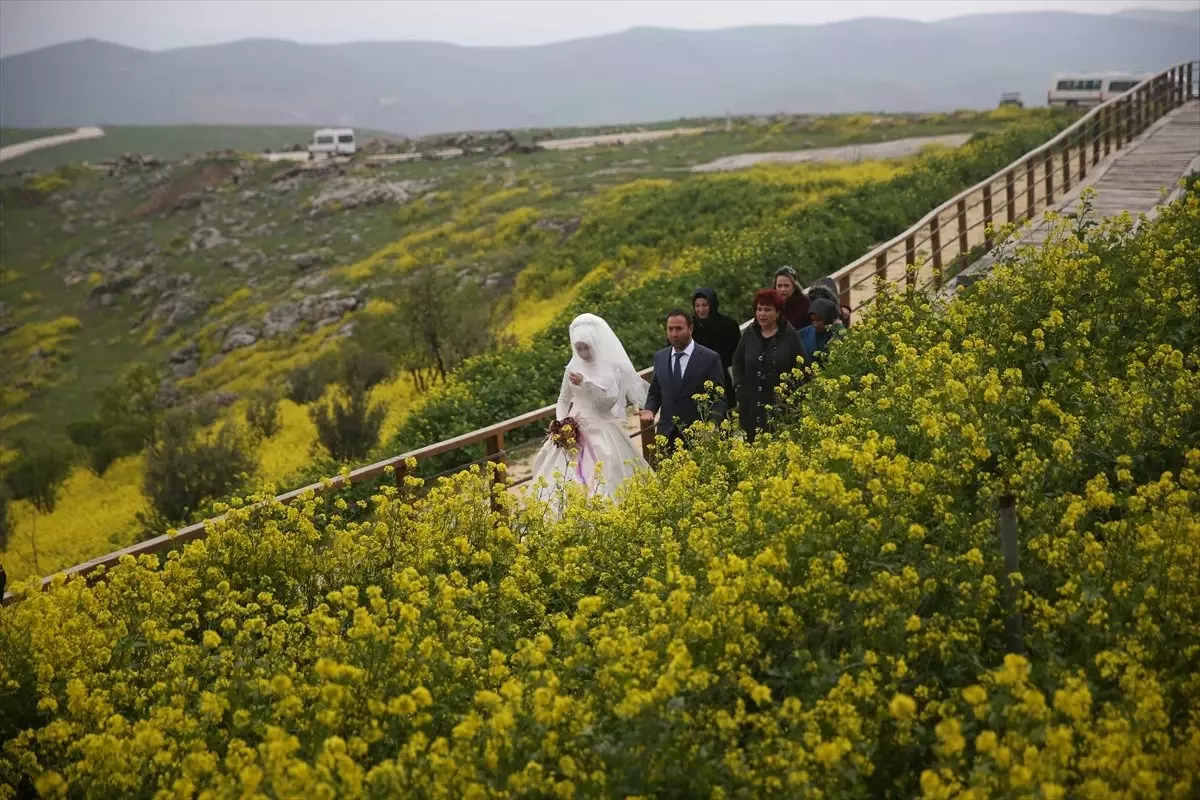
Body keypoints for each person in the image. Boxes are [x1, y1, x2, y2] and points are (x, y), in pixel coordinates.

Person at [529, 313, 649, 508]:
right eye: (579, 348)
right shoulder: (572, 367)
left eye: (587, 347)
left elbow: (608, 402)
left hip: (602, 428)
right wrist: (562, 424)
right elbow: (562, 400)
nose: (584, 352)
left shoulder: (609, 368)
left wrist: (586, 384)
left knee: (608, 470)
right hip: (574, 427)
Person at [641, 310, 728, 451]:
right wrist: (650, 409)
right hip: (666, 436)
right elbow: (655, 391)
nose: (674, 334)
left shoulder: (709, 358)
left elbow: (719, 399)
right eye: (670, 329)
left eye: (679, 329)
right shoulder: (660, 357)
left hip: (698, 438)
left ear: (691, 329)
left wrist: (711, 426)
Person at [732, 289, 807, 442]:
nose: (762, 314)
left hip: (780, 409)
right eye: (759, 309)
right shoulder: (750, 333)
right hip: (751, 408)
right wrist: (739, 386)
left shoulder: (790, 335)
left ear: (778, 312)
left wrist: (793, 397)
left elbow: (805, 369)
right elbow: (737, 360)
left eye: (767, 310)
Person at [691, 287, 741, 400]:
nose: (701, 309)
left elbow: (736, 356)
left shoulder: (728, 326)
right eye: (697, 306)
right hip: (695, 385)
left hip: (722, 381)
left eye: (704, 305)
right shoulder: (690, 327)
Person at [799, 298, 845, 366]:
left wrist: (838, 327)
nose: (815, 324)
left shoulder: (836, 333)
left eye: (818, 320)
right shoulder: (805, 332)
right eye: (812, 320)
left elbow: (835, 351)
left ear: (828, 318)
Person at [774, 266, 811, 331]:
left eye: (786, 285)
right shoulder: (772, 305)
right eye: (779, 286)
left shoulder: (804, 303)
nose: (782, 289)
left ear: (794, 287)